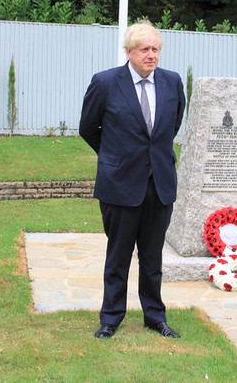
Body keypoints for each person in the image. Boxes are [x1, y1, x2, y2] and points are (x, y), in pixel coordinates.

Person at [79, 22, 186, 339]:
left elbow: (171, 125)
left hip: (159, 184)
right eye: (145, 49)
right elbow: (88, 128)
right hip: (120, 185)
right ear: (129, 52)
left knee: (153, 258)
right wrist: (115, 156)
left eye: (155, 49)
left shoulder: (172, 83)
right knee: (118, 257)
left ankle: (155, 316)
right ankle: (110, 318)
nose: (151, 55)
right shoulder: (106, 83)